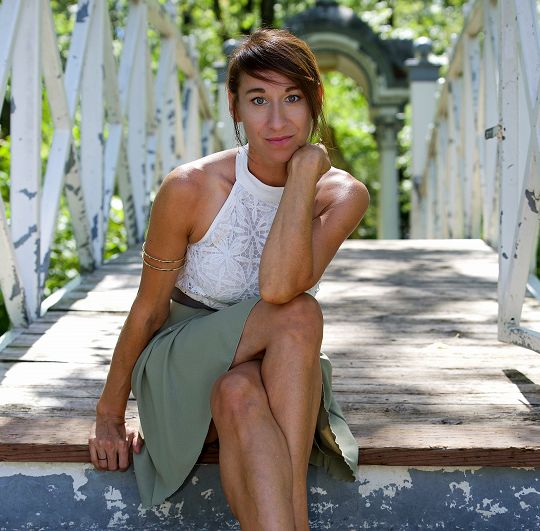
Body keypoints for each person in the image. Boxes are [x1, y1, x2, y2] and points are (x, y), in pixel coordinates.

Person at [89, 27, 369, 530]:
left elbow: (278, 283)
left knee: (239, 391)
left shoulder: (341, 195)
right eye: (258, 100)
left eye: (292, 98)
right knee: (298, 312)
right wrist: (109, 415)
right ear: (235, 107)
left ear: (315, 101)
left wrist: (303, 178)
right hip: (182, 364)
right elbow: (150, 309)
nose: (277, 120)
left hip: (273, 374)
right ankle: (300, 518)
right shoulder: (191, 187)